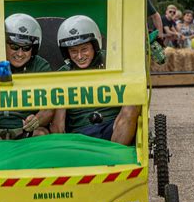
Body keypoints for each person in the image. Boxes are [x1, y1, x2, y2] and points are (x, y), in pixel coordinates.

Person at [50, 15, 138, 146]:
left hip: (113, 129)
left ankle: (115, 157)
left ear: (95, 46)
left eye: (84, 49)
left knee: (134, 102)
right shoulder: (63, 75)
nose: (79, 56)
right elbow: (58, 126)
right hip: (79, 135)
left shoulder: (113, 62)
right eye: (73, 51)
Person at [0, 14, 53, 146]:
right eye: (14, 47)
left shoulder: (41, 66)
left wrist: (37, 120)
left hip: (28, 132)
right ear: (3, 44)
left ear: (34, 48)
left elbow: (49, 108)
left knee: (42, 134)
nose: (20, 53)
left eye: (26, 48)